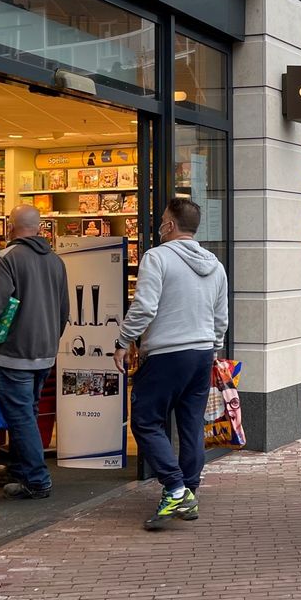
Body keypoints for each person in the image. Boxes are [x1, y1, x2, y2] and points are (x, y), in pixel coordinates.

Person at [115, 197, 229, 530]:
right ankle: (189, 489)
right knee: (191, 423)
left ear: (170, 225)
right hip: (202, 352)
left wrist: (124, 340)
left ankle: (176, 487)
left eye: (163, 220)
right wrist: (214, 348)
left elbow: (145, 306)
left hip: (167, 353)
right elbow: (220, 315)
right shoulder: (215, 264)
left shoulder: (157, 258)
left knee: (146, 421)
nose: (160, 225)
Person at [0, 205, 68, 500]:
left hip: (13, 352)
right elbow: (64, 310)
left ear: (10, 226)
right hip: (45, 352)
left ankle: (36, 479)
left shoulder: (5, 259)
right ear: (40, 227)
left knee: (20, 416)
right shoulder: (57, 262)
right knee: (28, 411)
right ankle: (20, 468)